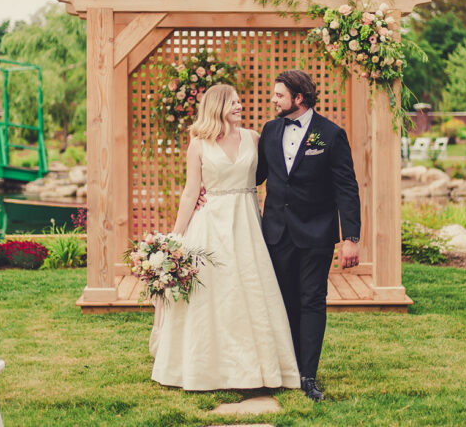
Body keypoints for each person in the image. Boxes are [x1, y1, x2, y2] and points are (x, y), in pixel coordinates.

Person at [150, 84, 300, 391]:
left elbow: (275, 175)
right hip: (210, 224)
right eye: (233, 102)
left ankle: (255, 369)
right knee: (213, 294)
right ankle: (206, 369)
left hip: (246, 223)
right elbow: (191, 191)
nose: (239, 106)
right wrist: (175, 236)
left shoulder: (253, 138)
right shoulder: (198, 145)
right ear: (217, 106)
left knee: (250, 291)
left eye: (239, 101)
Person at [255, 70, 361, 402]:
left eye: (279, 95)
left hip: (316, 233)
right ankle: (286, 369)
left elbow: (346, 187)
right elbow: (256, 175)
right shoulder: (270, 130)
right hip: (277, 232)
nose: (273, 100)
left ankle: (308, 376)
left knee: (312, 301)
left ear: (298, 98)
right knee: (283, 301)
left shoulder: (331, 134)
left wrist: (351, 238)